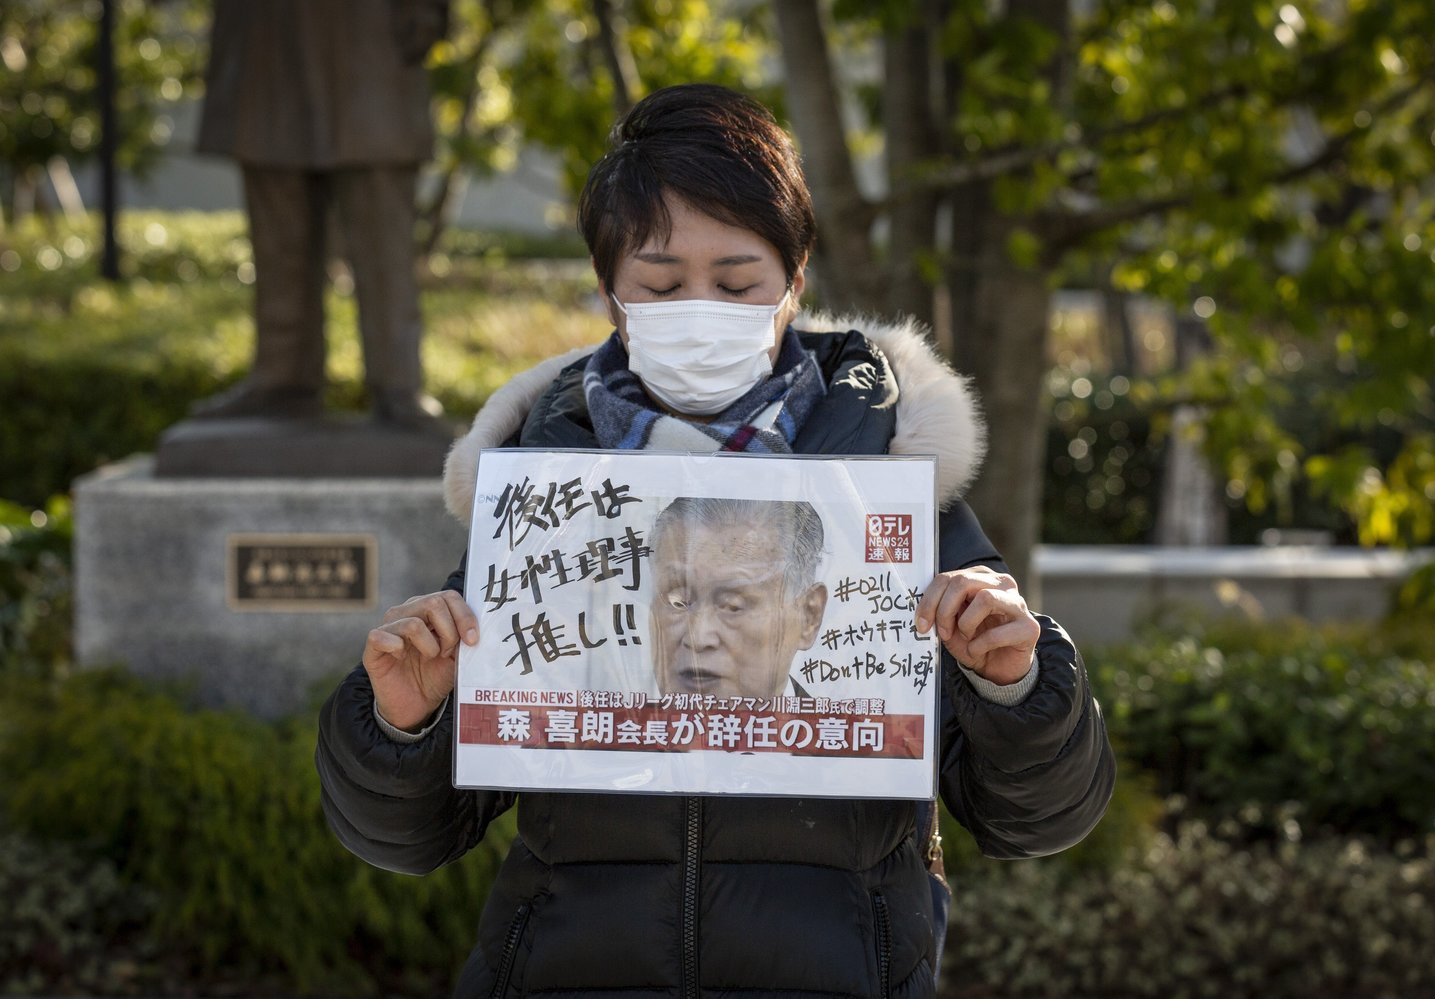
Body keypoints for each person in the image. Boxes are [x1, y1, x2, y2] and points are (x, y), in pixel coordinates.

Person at [316, 83, 1116, 996]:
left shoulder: (890, 488)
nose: (700, 309)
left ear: (796, 278)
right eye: (660, 284)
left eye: (738, 283)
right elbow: (409, 835)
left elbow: (1037, 819)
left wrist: (1015, 688)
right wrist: (400, 723)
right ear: (610, 289)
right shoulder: (548, 485)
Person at [193, 0, 449, 426]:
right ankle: (282, 378)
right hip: (268, 39)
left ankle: (397, 383)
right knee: (278, 225)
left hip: (371, 36)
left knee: (382, 236)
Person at [648, 496, 828, 698]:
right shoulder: (614, 724)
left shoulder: (850, 729)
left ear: (809, 617)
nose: (697, 637)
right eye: (678, 602)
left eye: (732, 606)